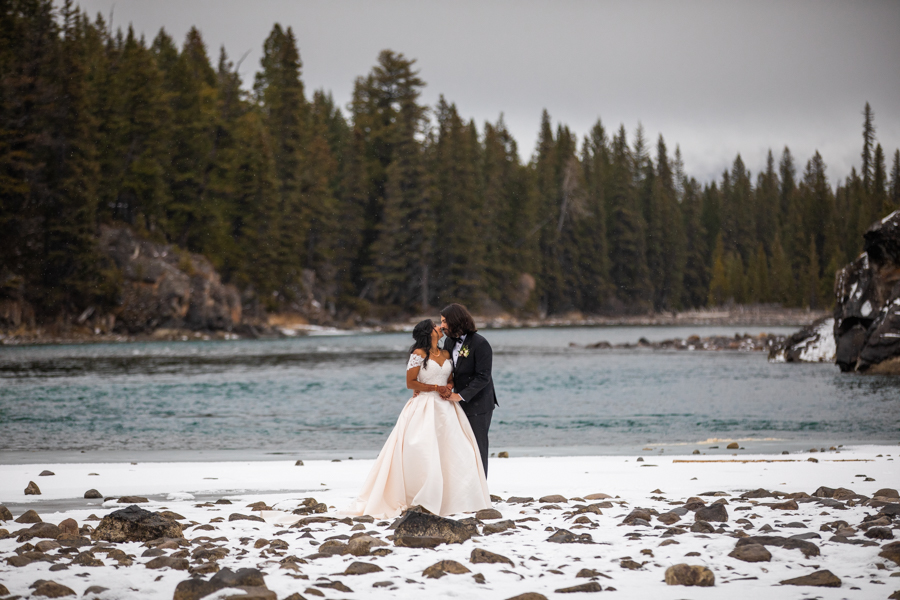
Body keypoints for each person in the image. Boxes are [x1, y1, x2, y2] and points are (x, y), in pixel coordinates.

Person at [344, 319, 491, 518]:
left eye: (441, 324)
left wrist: (448, 386)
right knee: (423, 449)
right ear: (428, 332)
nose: (440, 327)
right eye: (435, 325)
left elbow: (450, 377)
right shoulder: (418, 354)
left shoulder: (446, 351)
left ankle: (458, 497)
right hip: (423, 406)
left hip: (446, 407)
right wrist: (433, 388)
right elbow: (410, 382)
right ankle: (422, 495)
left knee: (456, 449)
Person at [439, 303, 498, 477]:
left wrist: (461, 396)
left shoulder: (480, 344)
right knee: (460, 446)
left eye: (444, 321)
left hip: (479, 404)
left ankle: (480, 490)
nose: (442, 325)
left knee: (478, 446)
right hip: (457, 403)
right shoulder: (449, 342)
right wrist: (448, 385)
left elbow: (483, 377)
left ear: (455, 321)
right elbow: (448, 369)